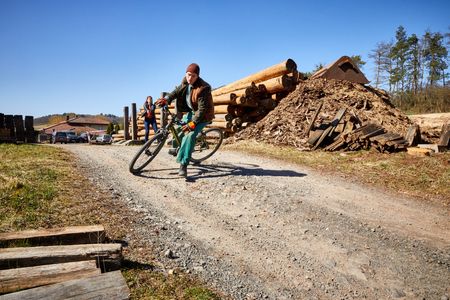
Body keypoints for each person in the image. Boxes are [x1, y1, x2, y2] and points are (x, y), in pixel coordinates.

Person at [156, 63, 215, 177]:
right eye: (188, 75)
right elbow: (175, 92)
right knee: (179, 128)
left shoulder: (203, 88)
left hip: (203, 116)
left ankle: (183, 164)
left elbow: (202, 111)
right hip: (191, 111)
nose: (190, 78)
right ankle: (177, 148)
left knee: (189, 134)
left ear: (197, 76)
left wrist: (192, 123)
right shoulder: (185, 81)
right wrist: (166, 99)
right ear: (185, 74)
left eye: (193, 76)